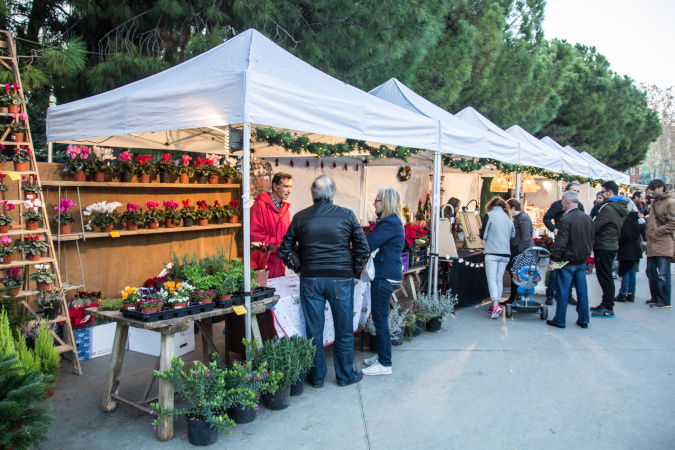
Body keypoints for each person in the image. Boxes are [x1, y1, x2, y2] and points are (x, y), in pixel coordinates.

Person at [277, 175, 370, 387]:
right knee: (344, 330)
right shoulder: (346, 215)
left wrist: (300, 268)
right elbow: (363, 248)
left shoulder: (301, 217)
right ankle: (345, 376)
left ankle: (317, 378)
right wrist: (353, 273)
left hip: (311, 280)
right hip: (341, 279)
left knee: (314, 331)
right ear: (333, 193)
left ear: (313, 194)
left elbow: (284, 250)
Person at [362, 188, 405, 377]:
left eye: (377, 200)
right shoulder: (392, 221)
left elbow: (368, 245)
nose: (374, 203)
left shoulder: (389, 223)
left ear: (385, 203)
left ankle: (385, 363)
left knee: (380, 319)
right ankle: (381, 355)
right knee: (380, 318)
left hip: (385, 275)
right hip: (388, 273)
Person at [545, 190, 594, 328]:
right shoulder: (587, 218)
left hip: (567, 261)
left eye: (562, 200)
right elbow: (591, 239)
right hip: (581, 260)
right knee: (582, 291)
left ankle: (560, 319)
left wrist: (552, 260)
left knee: (563, 291)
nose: (561, 204)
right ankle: (584, 319)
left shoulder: (566, 220)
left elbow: (561, 243)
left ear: (567, 201)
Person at [591, 180, 628, 318]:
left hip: (604, 245)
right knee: (605, 275)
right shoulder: (620, 206)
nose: (601, 195)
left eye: (603, 192)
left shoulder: (608, 208)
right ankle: (605, 303)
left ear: (610, 192)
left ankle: (608, 306)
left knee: (604, 276)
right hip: (610, 244)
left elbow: (595, 226)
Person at [543, 182, 585, 306]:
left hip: (574, 243)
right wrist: (554, 228)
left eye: (578, 192)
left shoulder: (580, 206)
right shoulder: (558, 205)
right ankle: (550, 293)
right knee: (555, 267)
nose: (576, 194)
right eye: (573, 191)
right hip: (561, 239)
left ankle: (569, 294)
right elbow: (547, 218)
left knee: (570, 268)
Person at [250, 172, 293, 278]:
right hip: (263, 266)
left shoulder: (285, 210)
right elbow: (255, 236)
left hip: (280, 265)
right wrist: (281, 244)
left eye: (291, 187)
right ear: (275, 186)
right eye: (286, 186)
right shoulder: (259, 205)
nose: (289, 190)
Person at [480, 197, 515, 319]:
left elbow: (483, 235)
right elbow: (513, 234)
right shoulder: (508, 218)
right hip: (505, 252)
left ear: (490, 205)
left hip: (492, 251)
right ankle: (498, 304)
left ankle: (495, 305)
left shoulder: (490, 215)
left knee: (492, 279)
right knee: (499, 279)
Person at [644, 179, 675, 308]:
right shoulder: (655, 202)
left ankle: (664, 300)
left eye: (653, 189)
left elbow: (673, 222)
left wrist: (658, 231)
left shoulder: (670, 202)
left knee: (663, 274)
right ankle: (656, 297)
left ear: (661, 188)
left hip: (663, 242)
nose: (651, 192)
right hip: (653, 242)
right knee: (650, 271)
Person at [502, 198, 534, 305]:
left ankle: (514, 298)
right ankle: (513, 297)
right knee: (515, 275)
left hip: (521, 252)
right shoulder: (519, 218)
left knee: (517, 275)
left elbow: (526, 238)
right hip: (518, 250)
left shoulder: (523, 218)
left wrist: (518, 253)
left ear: (513, 208)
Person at [614, 210, 642, 303]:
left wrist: (618, 241)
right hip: (635, 248)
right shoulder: (634, 219)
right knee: (631, 272)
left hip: (627, 249)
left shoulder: (626, 220)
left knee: (625, 271)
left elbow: (626, 234)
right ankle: (631, 293)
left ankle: (623, 293)